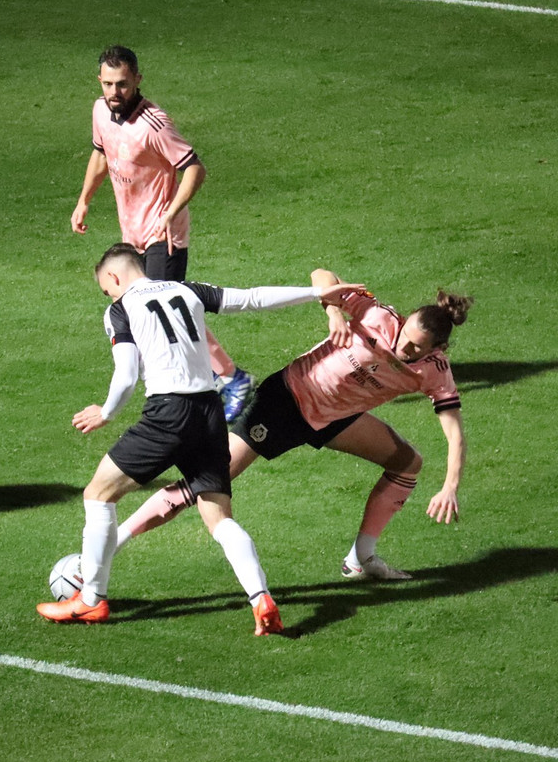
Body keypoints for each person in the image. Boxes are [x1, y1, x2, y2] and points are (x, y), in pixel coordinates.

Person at [37, 246, 363, 635]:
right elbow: (252, 298)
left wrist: (105, 412)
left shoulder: (120, 309)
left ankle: (90, 600)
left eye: (106, 290)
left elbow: (126, 374)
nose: (108, 296)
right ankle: (260, 598)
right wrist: (314, 294)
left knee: (98, 494)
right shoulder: (186, 289)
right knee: (219, 518)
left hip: (168, 413)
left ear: (114, 279)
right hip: (210, 412)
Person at [114, 269, 471, 580]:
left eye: (415, 347)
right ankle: (107, 549)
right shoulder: (376, 315)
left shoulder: (435, 374)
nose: (402, 346)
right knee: (205, 483)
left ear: (438, 349)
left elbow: (454, 432)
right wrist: (334, 313)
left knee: (407, 462)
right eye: (405, 334)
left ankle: (361, 559)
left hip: (334, 418)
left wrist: (450, 486)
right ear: (405, 319)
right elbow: (322, 276)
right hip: (285, 402)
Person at [70, 45, 254, 422]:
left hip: (163, 236)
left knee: (165, 310)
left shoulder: (155, 124)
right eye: (107, 84)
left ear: (137, 79)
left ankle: (230, 378)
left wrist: (170, 213)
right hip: (132, 234)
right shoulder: (100, 111)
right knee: (171, 310)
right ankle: (223, 378)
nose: (114, 92)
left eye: (122, 84)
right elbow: (101, 153)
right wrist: (84, 200)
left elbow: (194, 169)